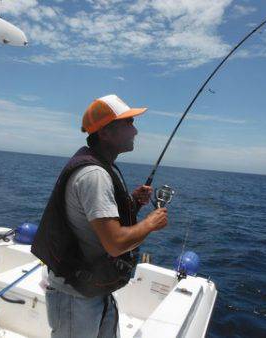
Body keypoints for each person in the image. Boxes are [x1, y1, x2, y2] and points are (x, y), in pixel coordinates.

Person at [31, 94, 168, 338]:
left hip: (92, 290)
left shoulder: (99, 166)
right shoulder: (95, 175)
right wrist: (150, 224)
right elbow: (114, 244)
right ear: (105, 133)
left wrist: (134, 203)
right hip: (76, 298)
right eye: (128, 123)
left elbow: (96, 225)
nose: (135, 131)